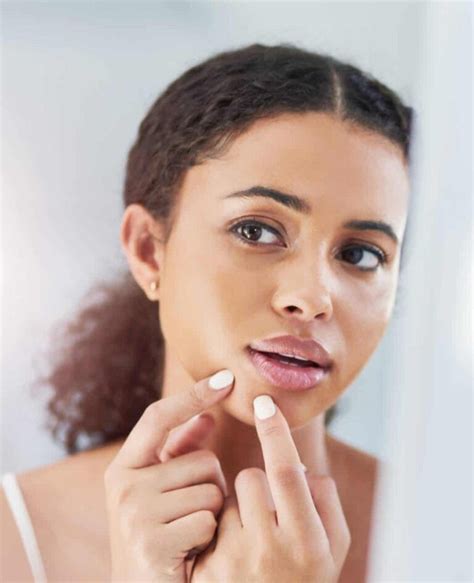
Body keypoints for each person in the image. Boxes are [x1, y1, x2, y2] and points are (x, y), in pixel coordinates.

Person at [1, 42, 413, 582]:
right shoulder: (15, 537)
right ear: (149, 250)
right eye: (256, 231)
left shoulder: (449, 530)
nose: (313, 298)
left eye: (360, 255)